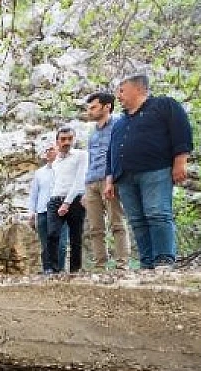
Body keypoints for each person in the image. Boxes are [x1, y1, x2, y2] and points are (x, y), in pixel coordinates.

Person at [105, 74, 194, 271]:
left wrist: (180, 160)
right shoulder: (120, 122)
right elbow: (111, 151)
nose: (118, 96)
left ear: (138, 89)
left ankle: (163, 260)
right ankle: (147, 263)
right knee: (136, 220)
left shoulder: (164, 105)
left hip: (156, 170)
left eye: (122, 90)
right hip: (125, 177)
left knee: (157, 213)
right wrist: (110, 179)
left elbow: (181, 130)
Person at [83, 92, 130, 271]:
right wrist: (85, 188)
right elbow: (91, 158)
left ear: (107, 106)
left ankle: (122, 265)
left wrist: (114, 178)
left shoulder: (119, 123)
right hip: (91, 181)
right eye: (89, 108)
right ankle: (100, 266)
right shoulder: (93, 132)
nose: (90, 111)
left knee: (116, 222)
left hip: (110, 179)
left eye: (94, 107)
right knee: (95, 228)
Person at [45, 126, 88, 273]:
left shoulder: (81, 155)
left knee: (76, 236)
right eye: (63, 139)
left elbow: (79, 180)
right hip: (55, 200)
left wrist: (67, 202)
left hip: (75, 200)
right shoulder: (55, 161)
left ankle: (75, 270)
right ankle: (54, 269)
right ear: (57, 142)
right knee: (52, 234)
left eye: (70, 138)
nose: (67, 142)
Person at [28, 145, 68, 273]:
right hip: (42, 212)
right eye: (47, 150)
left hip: (59, 211)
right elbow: (34, 194)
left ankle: (59, 270)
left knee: (61, 244)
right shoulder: (39, 173)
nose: (49, 151)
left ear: (58, 151)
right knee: (45, 244)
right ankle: (48, 270)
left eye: (52, 149)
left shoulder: (64, 170)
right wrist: (31, 213)